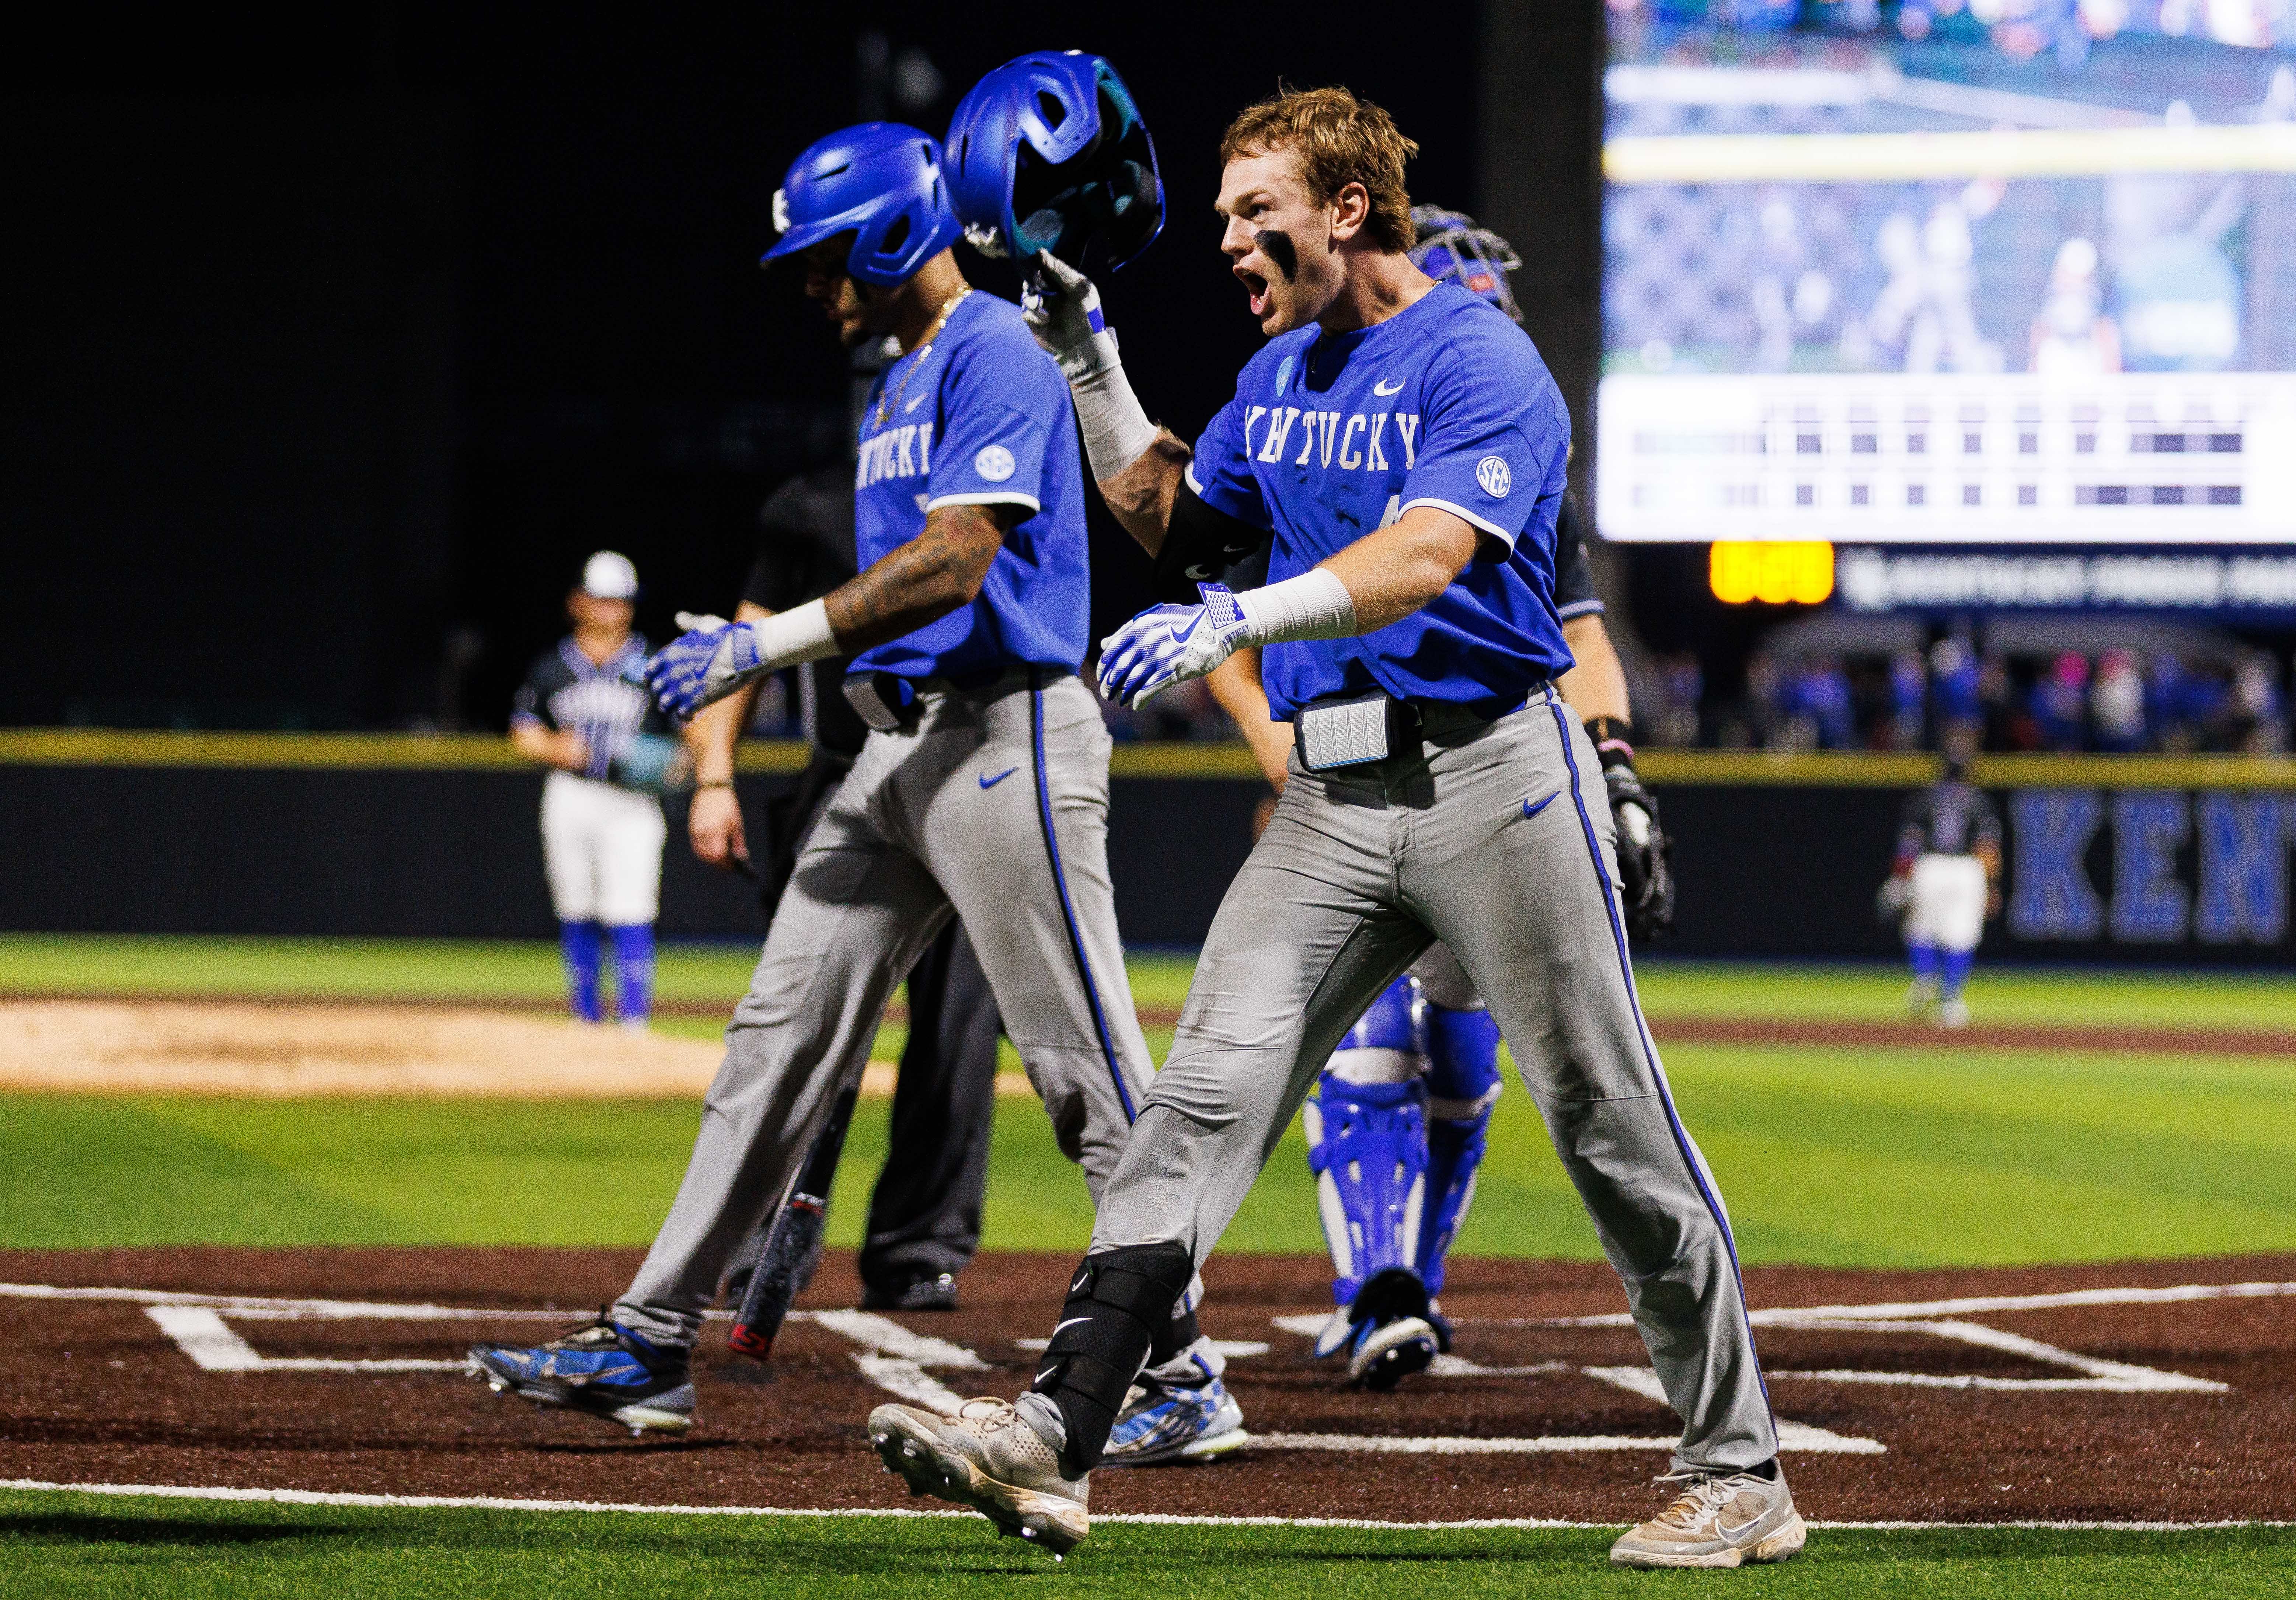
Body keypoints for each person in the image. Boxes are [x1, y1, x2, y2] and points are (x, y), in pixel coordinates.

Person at [869, 84, 1802, 1569]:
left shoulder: (1481, 356)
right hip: (1333, 796)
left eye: (1258, 211)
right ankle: (1055, 1432)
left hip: (1494, 773)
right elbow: (1171, 517)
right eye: (1230, 211)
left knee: (1607, 1126)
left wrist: (1244, 611)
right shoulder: (1283, 370)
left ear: (1347, 209)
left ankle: (1739, 1466)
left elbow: (1427, 554)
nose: (1229, 238)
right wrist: (1087, 355)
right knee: (1197, 1101)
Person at [467, 118, 1244, 1468]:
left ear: (891, 234)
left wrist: (758, 645)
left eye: (827, 260)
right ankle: (652, 1337)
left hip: (1006, 736)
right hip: (891, 752)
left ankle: (1174, 1365)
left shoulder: (995, 346)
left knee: (1084, 1071)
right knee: (772, 1042)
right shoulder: (897, 379)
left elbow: (953, 566)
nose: (816, 289)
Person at [1201, 202, 1676, 1392]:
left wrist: (1615, 766)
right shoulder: (1315, 425)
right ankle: (1377, 1288)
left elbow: (1582, 638)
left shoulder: (1500, 447)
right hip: (1349, 776)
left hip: (1482, 785)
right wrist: (1270, 732)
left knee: (1469, 1063)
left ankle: (1419, 1278)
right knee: (1353, 1047)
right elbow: (1212, 594)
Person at [681, 458, 1004, 1314]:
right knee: (808, 1021)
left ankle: (918, 1250)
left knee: (959, 1036)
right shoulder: (811, 498)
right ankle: (760, 1240)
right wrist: (715, 777)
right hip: (841, 771)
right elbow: (747, 639)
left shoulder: (996, 490)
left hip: (970, 771)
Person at [508, 551, 685, 1028]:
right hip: (572, 793)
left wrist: (668, 764)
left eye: (619, 600)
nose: (610, 609)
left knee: (631, 905)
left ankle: (633, 1022)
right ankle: (584, 1018)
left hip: (631, 800)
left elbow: (691, 740)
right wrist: (555, 747)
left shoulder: (655, 664)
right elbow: (522, 731)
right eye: (601, 599)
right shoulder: (553, 667)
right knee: (575, 902)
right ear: (579, 602)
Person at [1882, 743, 2002, 1027]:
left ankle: (1926, 975)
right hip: (1966, 869)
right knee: (1961, 937)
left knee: (1920, 930)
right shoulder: (1978, 801)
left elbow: (1908, 846)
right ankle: (1951, 1001)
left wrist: (1901, 878)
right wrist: (1991, 885)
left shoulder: (1925, 799)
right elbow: (1987, 848)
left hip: (1930, 866)